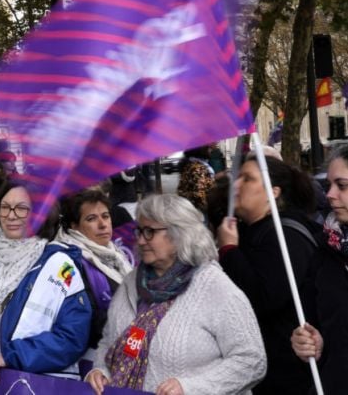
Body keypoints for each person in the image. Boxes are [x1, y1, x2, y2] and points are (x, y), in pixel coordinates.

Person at [86, 195, 266, 395]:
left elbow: (252, 360)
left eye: (150, 232)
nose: (139, 239)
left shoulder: (215, 287)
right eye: (139, 230)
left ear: (179, 234)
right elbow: (109, 340)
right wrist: (101, 370)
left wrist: (191, 388)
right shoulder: (132, 282)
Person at [0, 181, 92, 384]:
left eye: (22, 209)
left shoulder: (61, 265)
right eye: (5, 207)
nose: (11, 215)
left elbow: (73, 338)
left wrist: (13, 356)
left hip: (28, 381)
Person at [217, 156, 318, 394]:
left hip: (285, 374)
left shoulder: (285, 237)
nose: (237, 184)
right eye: (238, 177)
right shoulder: (248, 231)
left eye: (248, 178)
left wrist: (229, 251)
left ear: (273, 192)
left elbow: (261, 298)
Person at [290, 144, 348, 393]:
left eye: (342, 186)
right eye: (329, 186)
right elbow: (320, 323)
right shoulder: (326, 250)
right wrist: (311, 342)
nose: (331, 195)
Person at [55, 189, 132, 371]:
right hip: (95, 363)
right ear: (74, 226)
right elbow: (90, 321)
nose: (103, 224)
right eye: (91, 219)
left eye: (105, 216)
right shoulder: (69, 262)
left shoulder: (115, 255)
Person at [176, 146, 215, 212]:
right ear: (202, 150)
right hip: (198, 210)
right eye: (209, 148)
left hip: (189, 207)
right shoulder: (198, 168)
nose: (211, 150)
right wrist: (209, 209)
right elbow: (199, 193)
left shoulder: (191, 163)